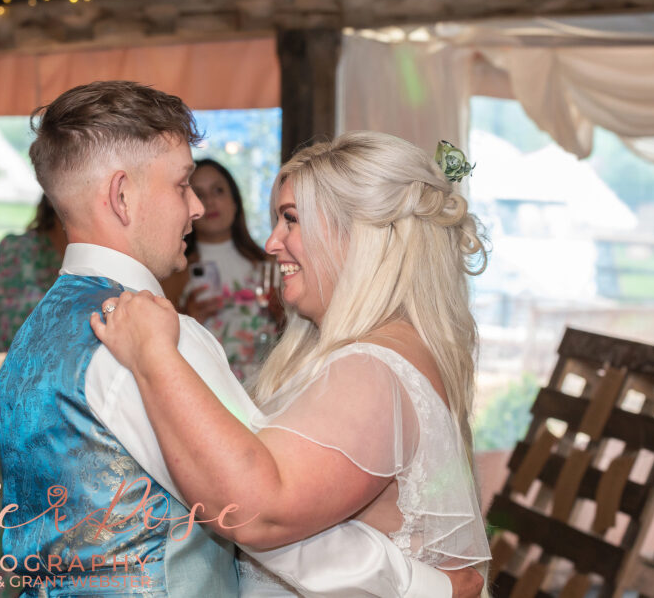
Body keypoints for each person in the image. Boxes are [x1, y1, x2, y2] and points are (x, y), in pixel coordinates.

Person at [0, 80, 480, 597]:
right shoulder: (152, 338)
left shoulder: (37, 335)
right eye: (182, 185)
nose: (197, 208)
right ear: (122, 195)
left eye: (291, 219)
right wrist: (428, 586)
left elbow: (265, 508)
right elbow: (261, 517)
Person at [93, 131, 491, 595]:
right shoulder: (387, 350)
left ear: (359, 236)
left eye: (291, 220)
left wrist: (153, 355)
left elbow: (259, 512)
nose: (271, 242)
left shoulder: (372, 369)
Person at [0, 194, 66, 598]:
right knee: (0, 556)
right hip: (20, 421)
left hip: (90, 425)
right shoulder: (19, 250)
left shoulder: (118, 256)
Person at [161, 159, 281, 385]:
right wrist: (188, 318)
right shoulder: (171, 271)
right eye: (199, 193)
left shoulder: (271, 265)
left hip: (267, 387)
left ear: (235, 201)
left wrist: (282, 313)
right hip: (205, 389)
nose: (210, 202)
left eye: (218, 191)